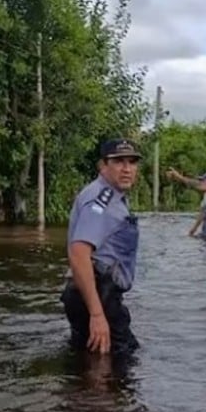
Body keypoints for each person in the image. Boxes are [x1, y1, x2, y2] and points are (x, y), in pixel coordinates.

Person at [61, 138, 142, 355]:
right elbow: (79, 253)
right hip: (97, 296)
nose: (127, 169)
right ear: (102, 165)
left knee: (91, 364)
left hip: (92, 296)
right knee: (119, 369)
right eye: (118, 162)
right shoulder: (101, 200)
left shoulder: (111, 197)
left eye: (132, 162)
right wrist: (97, 315)